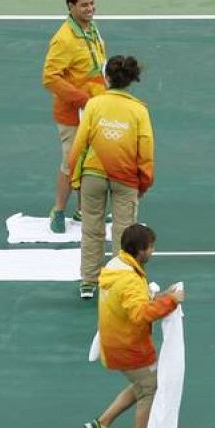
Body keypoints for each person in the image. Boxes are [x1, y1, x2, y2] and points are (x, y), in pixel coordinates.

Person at [84, 223, 182, 428]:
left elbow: (130, 304)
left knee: (142, 385)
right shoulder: (129, 279)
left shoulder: (118, 266)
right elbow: (139, 314)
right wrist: (170, 301)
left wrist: (158, 298)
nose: (153, 252)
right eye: (151, 248)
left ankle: (101, 424)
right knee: (151, 388)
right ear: (140, 250)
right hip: (127, 347)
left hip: (115, 342)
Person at [69, 55, 155, 300]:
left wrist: (75, 178)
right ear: (131, 80)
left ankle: (88, 281)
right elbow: (146, 149)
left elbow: (80, 143)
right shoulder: (139, 110)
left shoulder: (94, 105)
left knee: (91, 229)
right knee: (124, 233)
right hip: (125, 178)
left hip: (92, 175)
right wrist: (144, 182)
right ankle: (122, 283)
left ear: (106, 78)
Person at [42, 0, 108, 234]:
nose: (90, 9)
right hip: (72, 113)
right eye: (84, 5)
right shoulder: (64, 39)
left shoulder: (91, 29)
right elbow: (50, 77)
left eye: (92, 3)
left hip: (94, 109)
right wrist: (82, 99)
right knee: (70, 163)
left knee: (92, 161)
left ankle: (83, 211)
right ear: (71, 7)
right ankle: (58, 210)